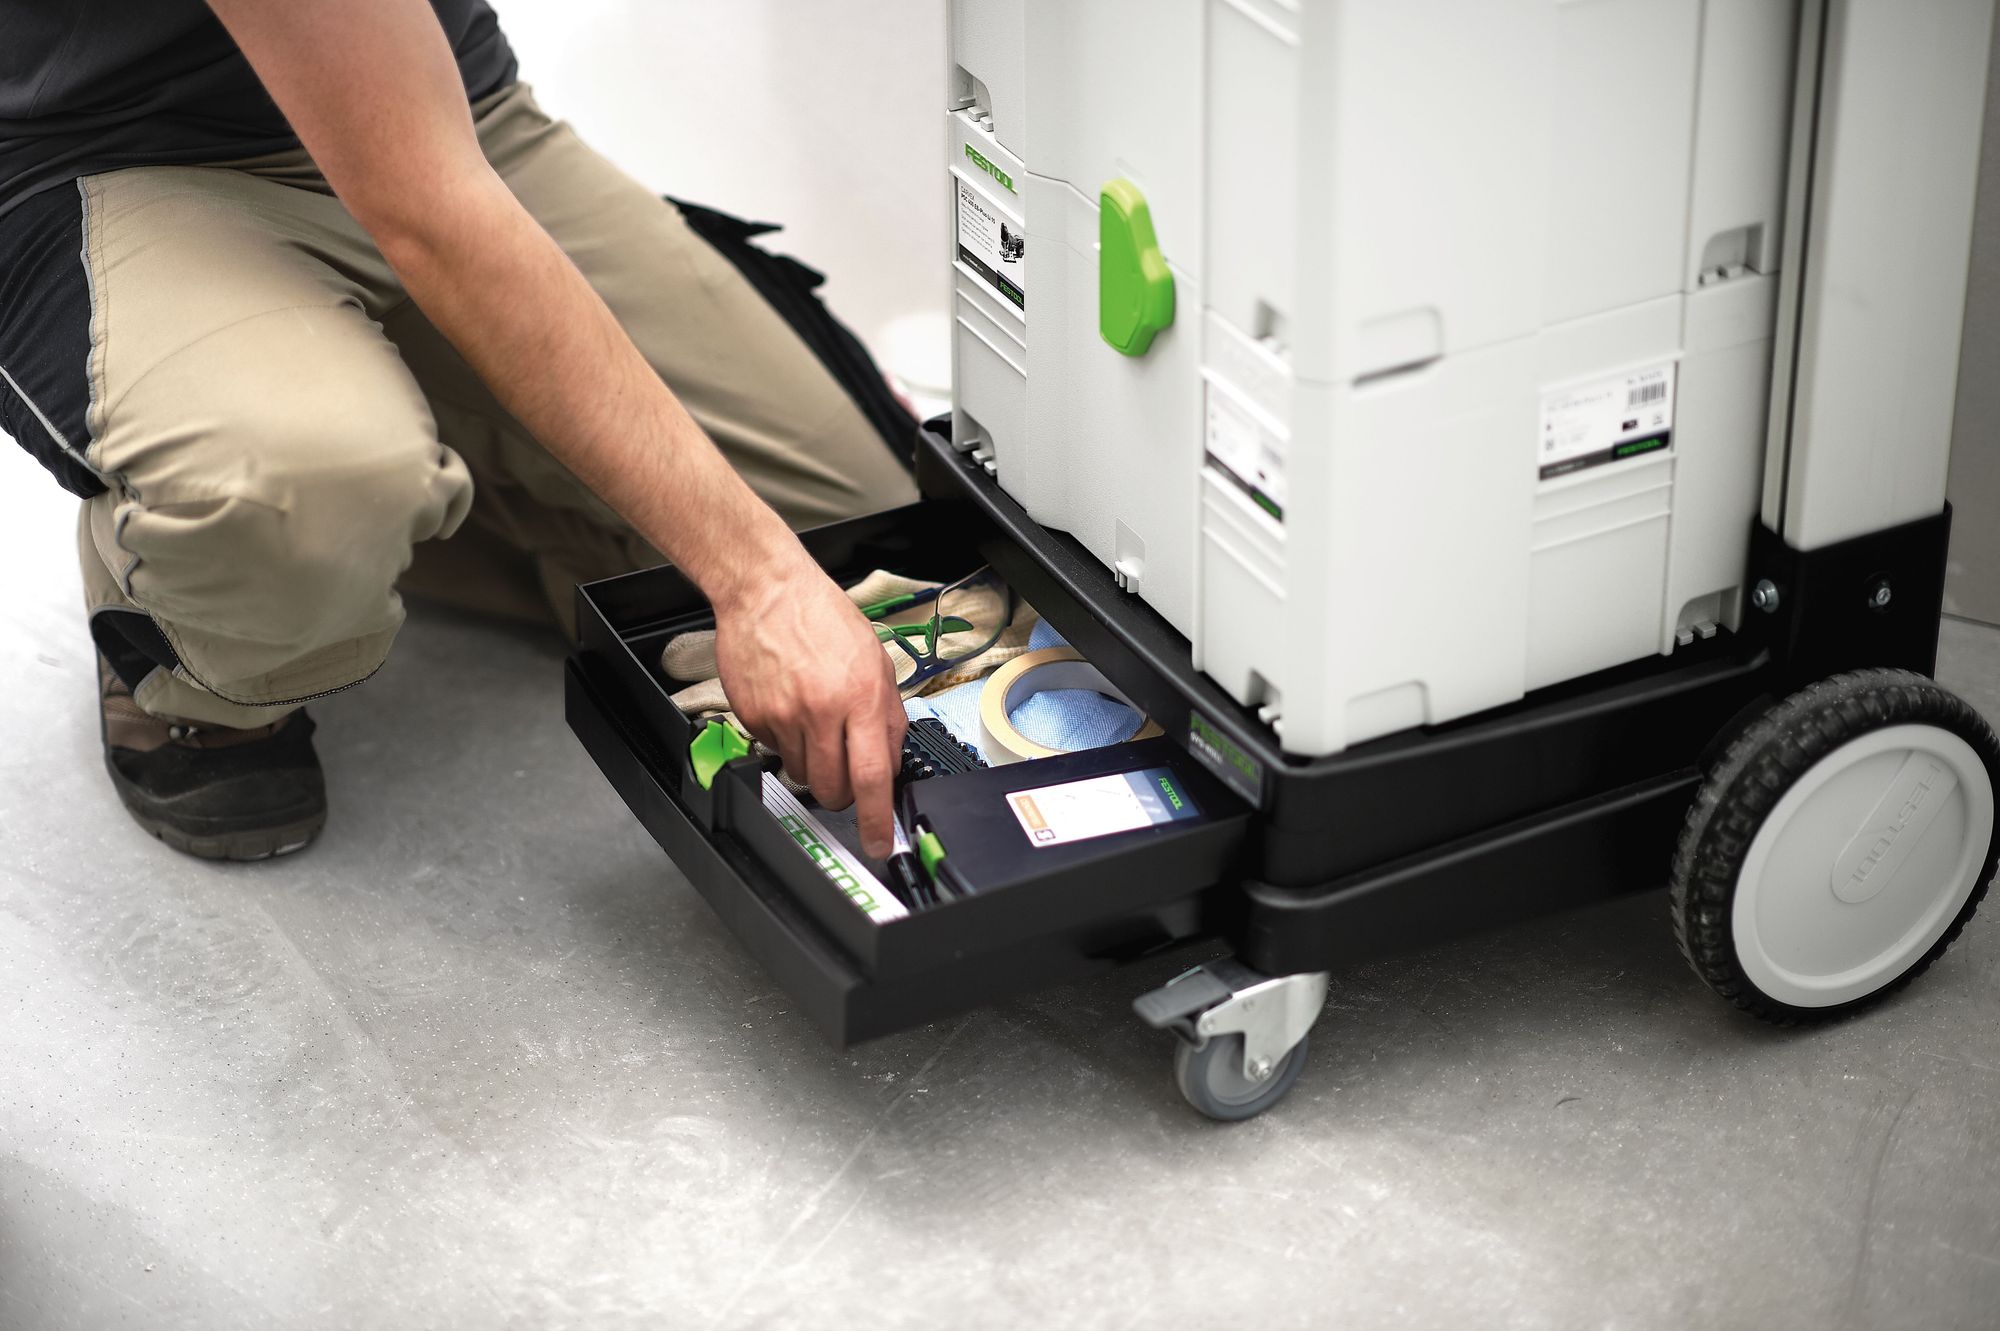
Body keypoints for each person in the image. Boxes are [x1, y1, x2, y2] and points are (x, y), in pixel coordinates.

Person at [0, 0, 916, 862]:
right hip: (113, 150)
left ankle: (374, 474)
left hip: (439, 101)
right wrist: (759, 582)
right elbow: (430, 214)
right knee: (292, 492)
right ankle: (189, 639)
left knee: (861, 529)